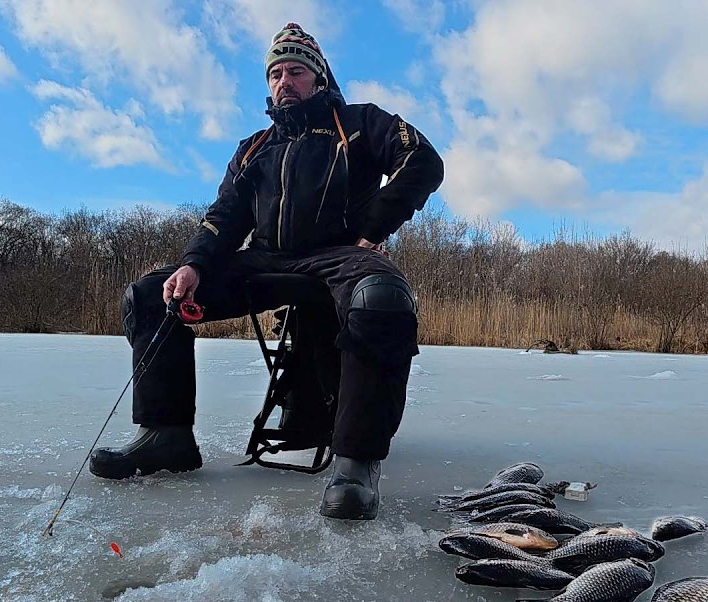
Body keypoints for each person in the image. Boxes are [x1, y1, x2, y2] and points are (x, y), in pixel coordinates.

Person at [89, 23, 444, 521]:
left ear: (318, 78)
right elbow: (224, 216)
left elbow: (423, 160)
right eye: (275, 73)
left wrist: (373, 228)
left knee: (381, 299)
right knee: (151, 294)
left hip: (339, 255)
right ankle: (165, 436)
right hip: (266, 258)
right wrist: (193, 264)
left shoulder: (359, 121)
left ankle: (356, 465)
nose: (284, 81)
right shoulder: (255, 145)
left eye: (295, 71)